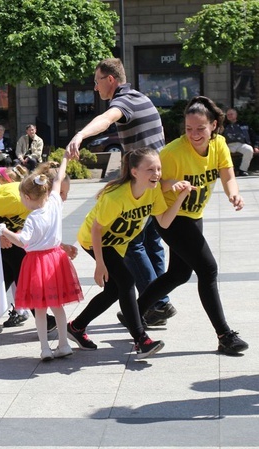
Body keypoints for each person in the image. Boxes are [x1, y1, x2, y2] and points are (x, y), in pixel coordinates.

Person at [134, 97, 248, 356]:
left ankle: (134, 311)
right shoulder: (173, 152)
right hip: (170, 216)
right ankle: (224, 335)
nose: (194, 134)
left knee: (179, 274)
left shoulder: (219, 145)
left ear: (214, 126)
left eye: (200, 128)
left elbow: (227, 174)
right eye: (188, 129)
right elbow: (149, 180)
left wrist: (234, 194)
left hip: (194, 214)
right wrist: (170, 182)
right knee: (208, 269)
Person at [66, 57, 174, 327]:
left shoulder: (123, 101)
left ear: (110, 80)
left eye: (96, 81)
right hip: (155, 180)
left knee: (133, 244)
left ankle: (157, 303)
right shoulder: (142, 98)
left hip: (144, 182)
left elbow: (106, 119)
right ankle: (158, 302)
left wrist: (80, 135)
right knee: (151, 242)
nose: (94, 87)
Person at [70, 148, 192, 358]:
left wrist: (180, 198)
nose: (156, 173)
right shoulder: (117, 197)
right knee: (126, 281)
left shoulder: (152, 192)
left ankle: (77, 326)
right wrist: (99, 264)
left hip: (116, 243)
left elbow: (163, 220)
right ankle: (140, 339)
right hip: (95, 241)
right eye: (150, 169)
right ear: (134, 172)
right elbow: (96, 229)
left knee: (113, 291)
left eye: (158, 169)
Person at [0, 151, 82, 361]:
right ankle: (64, 343)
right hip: (56, 259)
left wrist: (3, 231)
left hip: (37, 263)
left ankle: (44, 349)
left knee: (40, 309)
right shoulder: (54, 204)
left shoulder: (33, 218)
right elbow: (59, 179)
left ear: (27, 197)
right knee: (57, 306)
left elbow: (23, 241)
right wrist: (66, 158)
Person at [0, 162, 74, 334]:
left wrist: (61, 246)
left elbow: (39, 234)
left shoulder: (41, 204)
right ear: (46, 190)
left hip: (2, 227)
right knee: (21, 265)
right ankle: (42, 316)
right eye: (61, 192)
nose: (63, 197)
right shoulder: (18, 199)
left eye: (66, 193)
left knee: (8, 273)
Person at [222, 108, 259, 176]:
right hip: (227, 145)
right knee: (221, 152)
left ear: (236, 115)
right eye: (228, 115)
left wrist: (256, 146)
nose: (229, 116)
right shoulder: (223, 126)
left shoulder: (244, 125)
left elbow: (254, 136)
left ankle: (243, 170)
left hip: (241, 144)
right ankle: (228, 171)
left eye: (231, 114)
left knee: (249, 149)